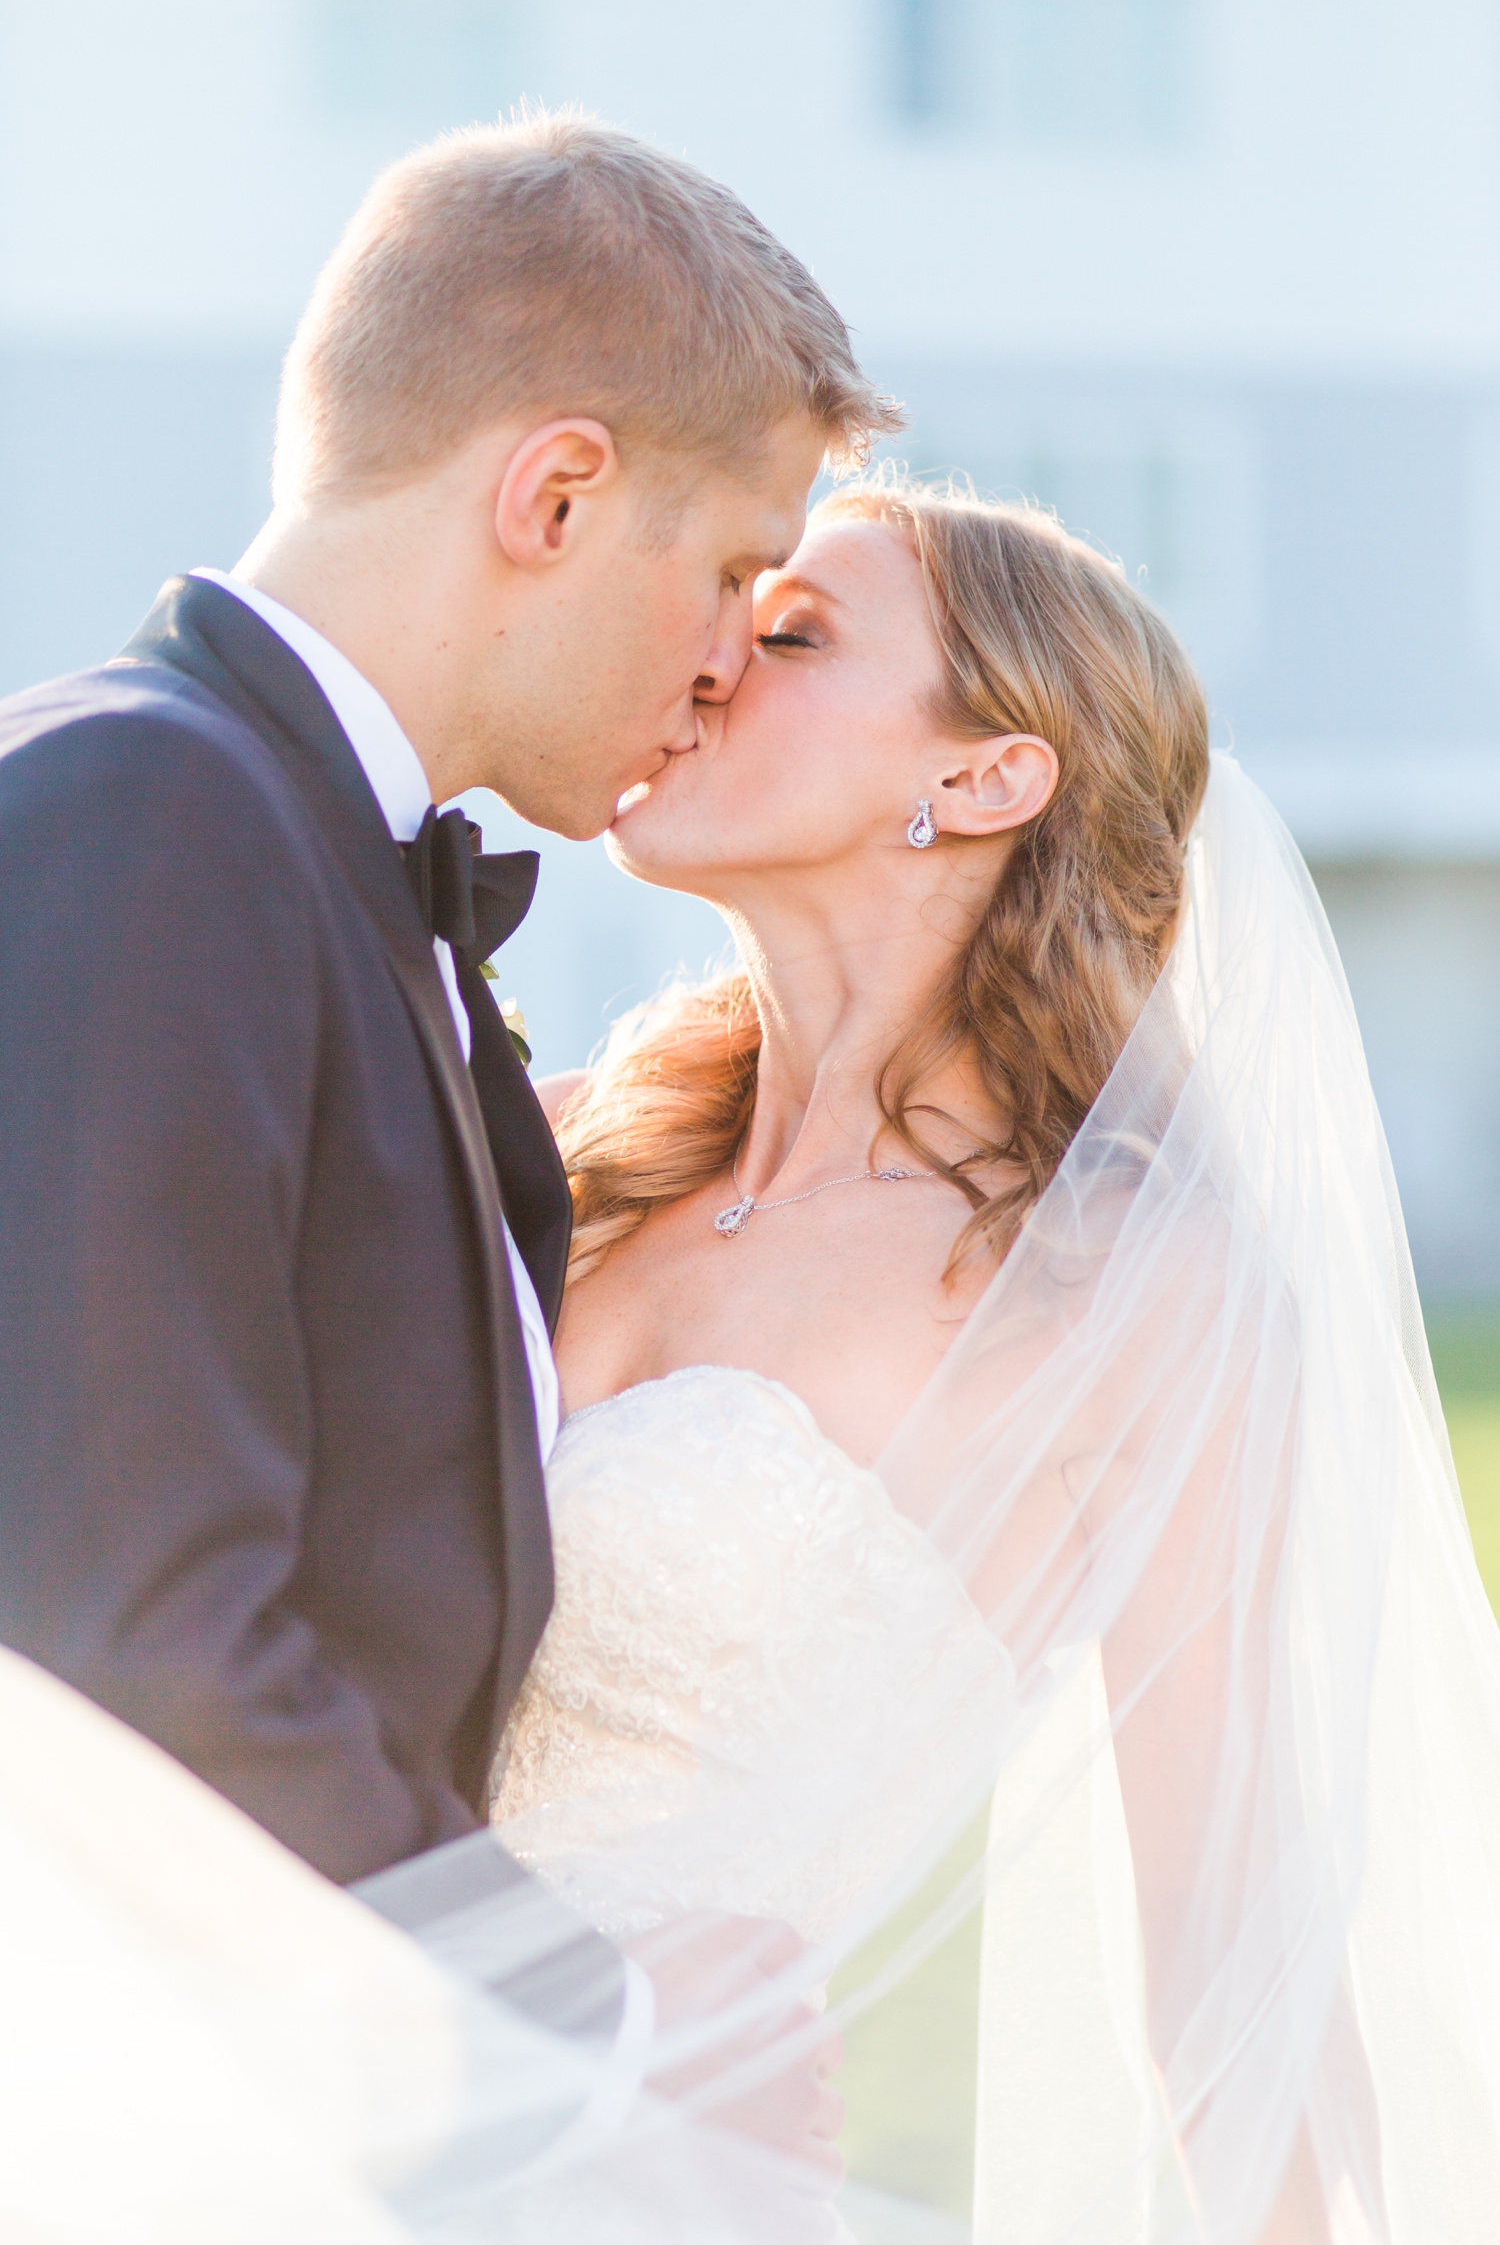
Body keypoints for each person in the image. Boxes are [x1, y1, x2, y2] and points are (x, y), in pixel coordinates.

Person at [0, 108, 893, 2182]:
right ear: (556, 490)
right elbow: (131, 1623)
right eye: (741, 567)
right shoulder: (152, 817)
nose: (732, 653)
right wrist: (605, 2027)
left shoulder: (315, 862)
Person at [480, 477, 1500, 2242]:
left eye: (790, 633)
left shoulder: (1119, 1285)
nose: (709, 659)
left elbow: (1227, 1941)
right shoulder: (565, 1147)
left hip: (652, 2173)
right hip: (306, 2059)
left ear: (984, 777)